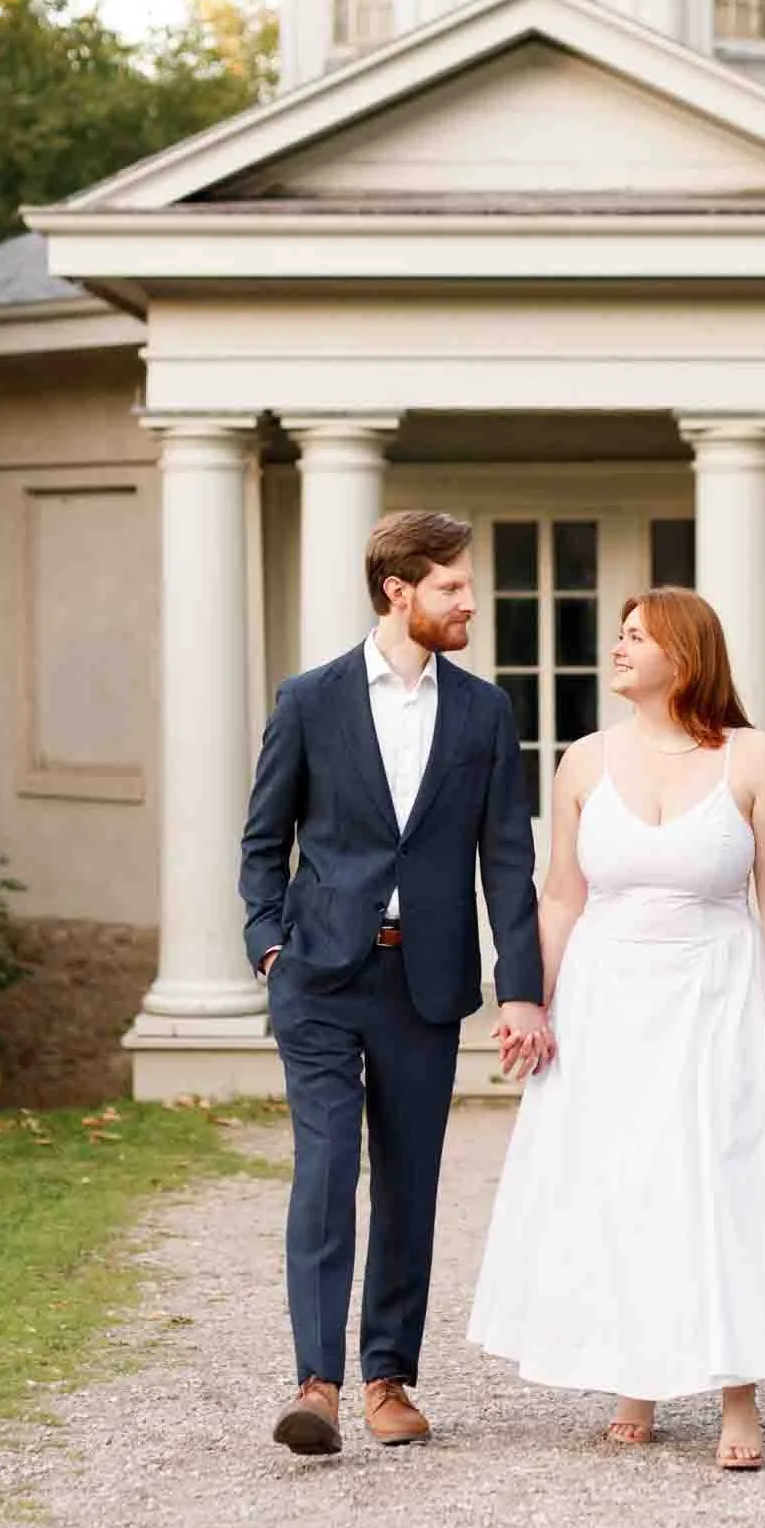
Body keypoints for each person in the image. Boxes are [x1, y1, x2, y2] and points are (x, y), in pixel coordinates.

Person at [469, 587, 765, 1471]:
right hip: (605, 997)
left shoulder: (754, 759)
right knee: (623, 1182)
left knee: (719, 1177)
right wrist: (530, 1003)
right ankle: (638, 1377)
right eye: (619, 634)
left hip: (711, 991)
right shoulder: (583, 762)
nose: (617, 648)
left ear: (686, 655)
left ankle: (738, 1391)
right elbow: (561, 896)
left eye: (637, 636)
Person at [241, 509, 548, 1458]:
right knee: (327, 1174)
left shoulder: (485, 712)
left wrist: (523, 989)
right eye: (453, 587)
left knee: (410, 1186)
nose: (469, 604)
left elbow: (506, 860)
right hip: (322, 978)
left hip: (426, 984)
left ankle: (388, 1379)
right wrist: (268, 946)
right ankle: (317, 1385)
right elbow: (264, 841)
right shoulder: (309, 699)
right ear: (398, 591)